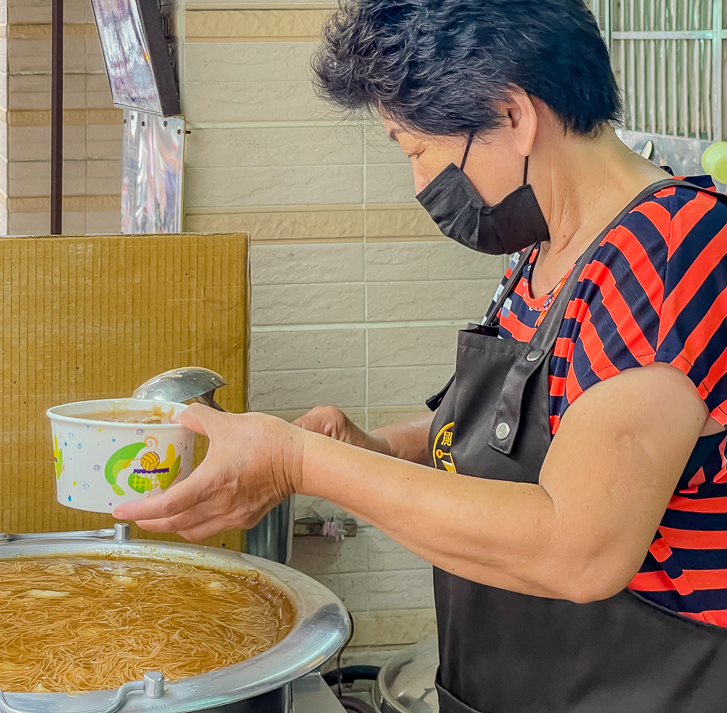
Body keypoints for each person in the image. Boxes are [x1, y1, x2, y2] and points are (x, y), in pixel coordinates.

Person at [114, 1, 727, 710]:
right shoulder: (545, 254)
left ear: (515, 116)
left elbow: (578, 547)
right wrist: (377, 447)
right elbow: (507, 436)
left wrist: (302, 461)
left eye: (418, 150)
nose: (420, 185)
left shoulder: (675, 251)